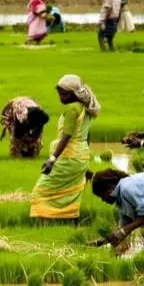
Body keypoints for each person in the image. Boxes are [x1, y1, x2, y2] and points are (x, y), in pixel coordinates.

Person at [30, 75, 100, 220]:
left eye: (64, 94)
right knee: (71, 192)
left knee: (41, 191)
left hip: (68, 157)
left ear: (74, 93)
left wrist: (52, 159)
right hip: (80, 157)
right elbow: (87, 136)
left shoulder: (72, 110)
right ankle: (69, 220)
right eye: (59, 93)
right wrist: (84, 162)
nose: (61, 97)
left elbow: (66, 136)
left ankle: (43, 222)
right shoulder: (86, 110)